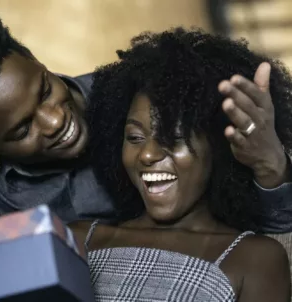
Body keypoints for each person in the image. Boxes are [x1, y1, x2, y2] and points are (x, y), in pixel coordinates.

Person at [0, 15, 291, 233]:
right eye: (23, 129)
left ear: (35, 59)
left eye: (45, 91)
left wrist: (270, 166)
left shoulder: (143, 94)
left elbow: (267, 227)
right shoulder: (0, 197)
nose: (54, 121)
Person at [69, 28, 291, 301]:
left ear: (218, 147)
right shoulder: (77, 240)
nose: (147, 155)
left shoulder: (255, 259)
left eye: (172, 138)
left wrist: (272, 165)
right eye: (135, 137)